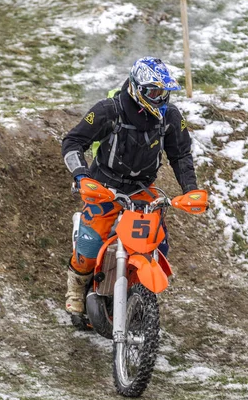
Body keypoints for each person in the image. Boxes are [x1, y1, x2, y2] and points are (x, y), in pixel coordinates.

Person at [62, 56, 204, 318]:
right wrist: (82, 176)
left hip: (141, 189)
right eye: (153, 92)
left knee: (157, 244)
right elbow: (72, 142)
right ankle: (76, 287)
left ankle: (137, 292)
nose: (160, 98)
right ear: (137, 88)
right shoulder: (109, 110)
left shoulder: (169, 116)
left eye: (164, 92)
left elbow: (181, 154)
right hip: (104, 184)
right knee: (91, 245)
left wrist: (190, 189)